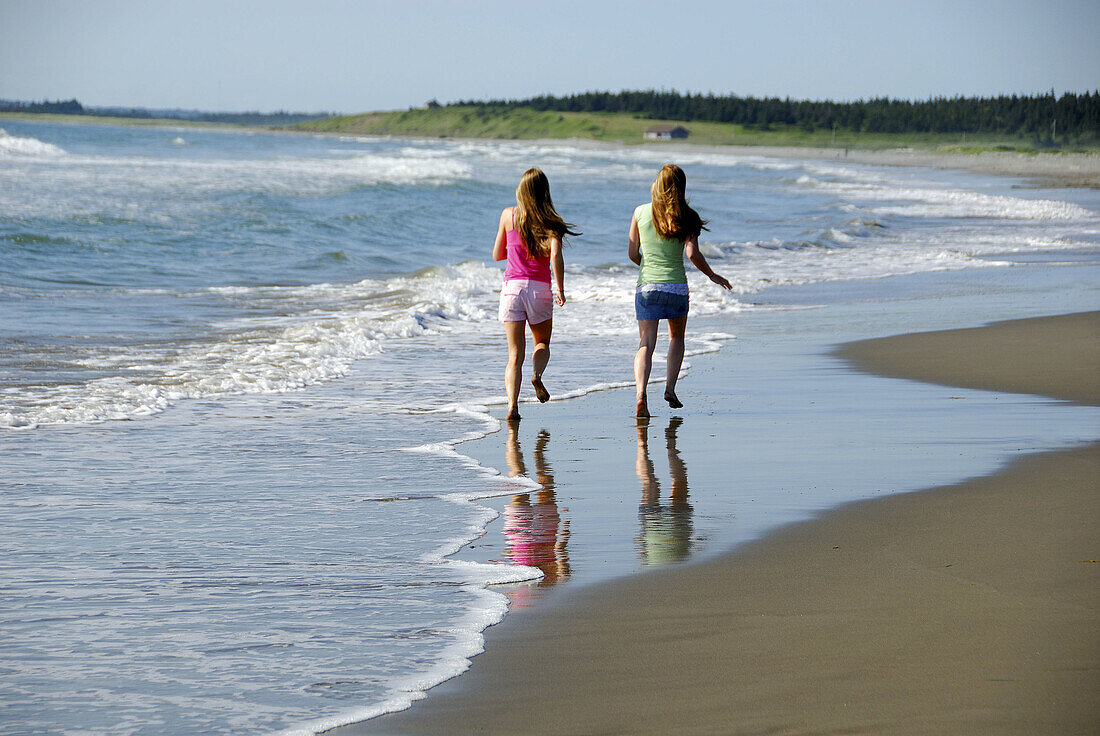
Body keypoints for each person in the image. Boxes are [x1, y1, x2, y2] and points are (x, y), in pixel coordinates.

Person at [628, 164, 731, 417]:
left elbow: (632, 253)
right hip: (676, 287)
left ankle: (641, 395)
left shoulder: (640, 212)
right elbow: (692, 253)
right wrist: (711, 274)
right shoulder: (688, 216)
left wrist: (649, 267)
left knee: (646, 343)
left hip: (648, 288)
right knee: (677, 338)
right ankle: (670, 389)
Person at [493, 168, 579, 420]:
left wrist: (517, 249)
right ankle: (537, 376)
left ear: (521, 191)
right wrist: (561, 289)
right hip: (539, 289)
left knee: (514, 354)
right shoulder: (551, 222)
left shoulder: (508, 215)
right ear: (544, 193)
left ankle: (512, 406)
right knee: (541, 343)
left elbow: (498, 254)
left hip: (512, 289)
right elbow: (555, 256)